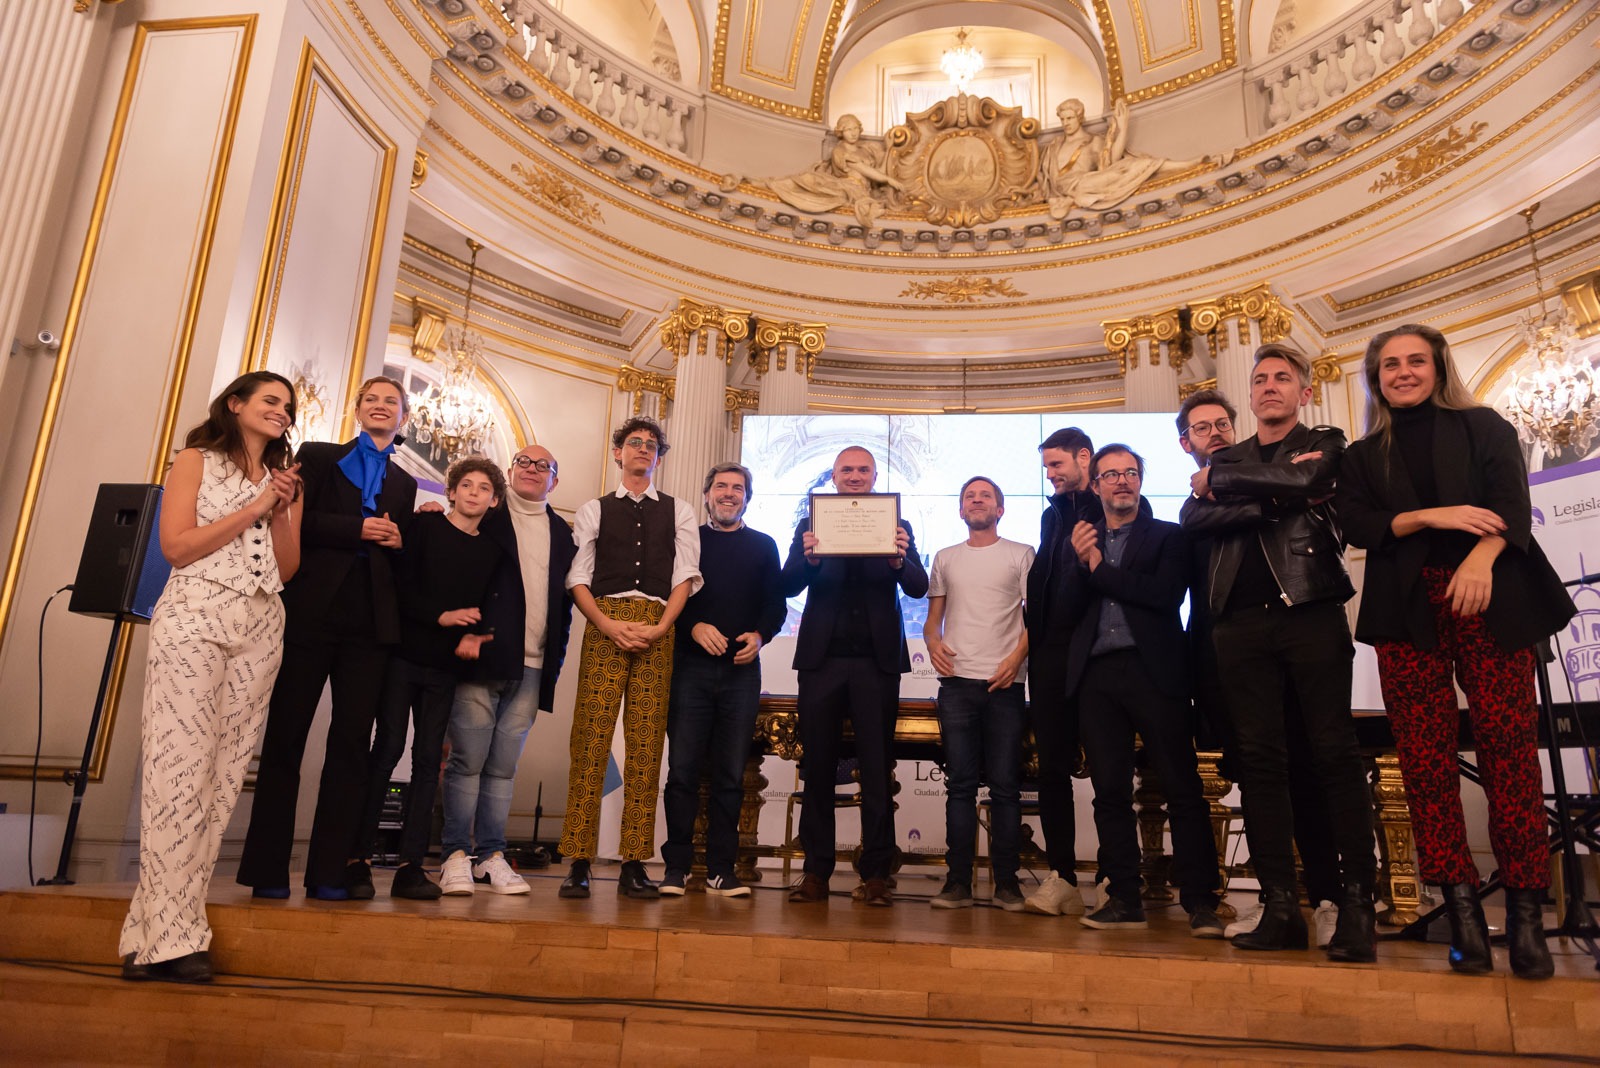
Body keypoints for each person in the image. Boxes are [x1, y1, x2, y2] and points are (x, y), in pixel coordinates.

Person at [1337, 324, 1573, 979]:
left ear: (1438, 367)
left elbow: (1511, 511)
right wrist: (1434, 516)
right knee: (1425, 764)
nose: (1403, 372)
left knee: (1510, 754)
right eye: (1390, 364)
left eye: (1416, 361)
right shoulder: (1362, 454)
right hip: (1403, 608)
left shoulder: (1485, 427)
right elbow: (1358, 525)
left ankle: (1527, 919)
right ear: (1375, 376)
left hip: (1491, 593)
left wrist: (1482, 559)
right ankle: (1463, 917)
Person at [1181, 343, 1378, 962]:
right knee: (1261, 765)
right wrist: (1271, 495)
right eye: (1261, 379)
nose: (1269, 387)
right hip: (1236, 626)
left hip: (1310, 612)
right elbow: (1193, 517)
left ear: (1303, 391)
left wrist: (1228, 486)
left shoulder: (1325, 441)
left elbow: (1310, 479)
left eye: (1281, 379)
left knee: (1334, 757)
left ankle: (1354, 908)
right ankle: (1281, 909)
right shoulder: (1229, 455)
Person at [120, 372, 302, 983]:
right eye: (269, 400)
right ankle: (175, 939)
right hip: (195, 613)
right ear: (236, 404)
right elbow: (175, 547)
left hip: (261, 621)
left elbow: (287, 566)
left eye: (287, 405)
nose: (281, 410)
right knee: (179, 769)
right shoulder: (194, 460)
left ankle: (153, 936)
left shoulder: (287, 480)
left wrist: (279, 509)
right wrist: (253, 506)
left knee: (224, 777)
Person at [238, 376, 417, 901]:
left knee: (350, 750)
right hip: (310, 612)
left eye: (392, 402)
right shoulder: (316, 455)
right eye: (372, 400)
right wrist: (355, 530)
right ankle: (267, 871)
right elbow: (294, 520)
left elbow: (403, 560)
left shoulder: (407, 485)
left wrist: (404, 539)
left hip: (371, 625)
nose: (381, 407)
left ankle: (329, 872)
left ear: (403, 417)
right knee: (285, 739)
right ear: (357, 410)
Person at [1062, 445, 1223, 937]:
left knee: (1182, 789)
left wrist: (1097, 566)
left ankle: (1201, 902)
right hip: (1097, 677)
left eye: (1130, 473)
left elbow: (1164, 597)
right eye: (1110, 475)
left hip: (1154, 671)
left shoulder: (1168, 536)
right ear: (1096, 486)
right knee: (1109, 792)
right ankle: (1125, 898)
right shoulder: (1080, 538)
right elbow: (1066, 611)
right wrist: (1078, 560)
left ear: (1140, 480)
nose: (1121, 482)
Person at [559, 419, 701, 901]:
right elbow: (578, 576)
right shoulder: (592, 509)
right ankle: (577, 862)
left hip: (659, 625)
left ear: (659, 456)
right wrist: (606, 624)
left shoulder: (679, 510)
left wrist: (663, 628)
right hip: (605, 623)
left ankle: (634, 864)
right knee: (591, 739)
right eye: (634, 443)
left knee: (645, 748)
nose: (643, 450)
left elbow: (685, 575)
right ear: (618, 452)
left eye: (652, 445)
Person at [783, 446, 928, 907]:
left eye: (863, 469)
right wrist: (807, 559)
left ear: (874, 475)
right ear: (834, 476)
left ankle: (878, 874)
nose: (855, 476)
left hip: (876, 663)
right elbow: (785, 584)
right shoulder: (810, 525)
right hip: (821, 662)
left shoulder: (895, 525)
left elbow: (919, 585)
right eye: (847, 469)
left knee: (877, 771)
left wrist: (898, 562)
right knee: (818, 769)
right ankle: (815, 873)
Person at [358, 457, 507, 900]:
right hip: (403, 657)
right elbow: (398, 589)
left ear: (494, 500)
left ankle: (409, 867)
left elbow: (490, 606)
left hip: (444, 668)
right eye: (467, 485)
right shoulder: (425, 527)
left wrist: (478, 636)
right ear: (452, 492)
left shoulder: (492, 552)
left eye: (484, 488)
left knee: (428, 764)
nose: (474, 492)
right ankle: (359, 860)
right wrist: (441, 617)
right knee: (385, 752)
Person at [437, 444, 576, 895]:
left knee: (502, 769)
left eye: (544, 466)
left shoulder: (562, 532)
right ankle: (455, 855)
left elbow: (563, 606)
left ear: (554, 480)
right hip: (486, 658)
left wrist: (553, 660)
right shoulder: (489, 515)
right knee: (467, 762)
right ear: (510, 471)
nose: (533, 471)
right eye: (524, 463)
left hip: (533, 668)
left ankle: (492, 856)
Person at [659, 463, 786, 898]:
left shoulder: (764, 545)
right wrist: (691, 626)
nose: (729, 494)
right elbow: (666, 598)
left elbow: (776, 605)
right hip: (689, 670)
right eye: (721, 487)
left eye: (737, 488)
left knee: (731, 775)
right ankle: (675, 868)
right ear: (707, 494)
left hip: (741, 673)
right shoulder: (686, 541)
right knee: (683, 773)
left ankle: (720, 869)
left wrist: (761, 634)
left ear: (747, 497)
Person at [1023, 426, 1127, 916]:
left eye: (1057, 465)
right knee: (1051, 772)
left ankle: (1113, 874)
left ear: (1084, 457)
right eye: (1047, 467)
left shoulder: (1110, 506)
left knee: (1109, 771)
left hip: (1096, 656)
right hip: (1048, 657)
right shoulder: (1051, 515)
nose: (1052, 475)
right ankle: (1061, 876)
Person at [923, 476, 1034, 911]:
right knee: (960, 787)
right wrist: (932, 644)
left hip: (1005, 684)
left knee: (1006, 787)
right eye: (969, 495)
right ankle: (957, 883)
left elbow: (1034, 619)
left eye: (985, 495)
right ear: (960, 509)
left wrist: (1016, 661)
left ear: (1000, 509)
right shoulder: (945, 558)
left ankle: (1007, 884)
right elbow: (934, 620)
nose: (977, 500)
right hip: (956, 685)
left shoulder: (1021, 554)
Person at [1038, 98, 1223, 219]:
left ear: (1080, 118)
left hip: (1085, 183)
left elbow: (1110, 161)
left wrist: (1123, 126)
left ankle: (1188, 165)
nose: (1065, 123)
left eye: (1069, 118)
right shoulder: (1054, 146)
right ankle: (1187, 164)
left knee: (1132, 166)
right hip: (1071, 189)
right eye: (1062, 119)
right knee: (1129, 167)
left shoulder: (1092, 141)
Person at [767, 113, 905, 227]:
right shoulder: (840, 151)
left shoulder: (865, 151)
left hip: (862, 191)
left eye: (856, 128)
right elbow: (865, 170)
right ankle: (773, 184)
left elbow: (878, 173)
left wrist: (889, 150)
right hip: (849, 187)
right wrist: (888, 179)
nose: (853, 133)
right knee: (808, 181)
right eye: (848, 129)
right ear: (841, 132)